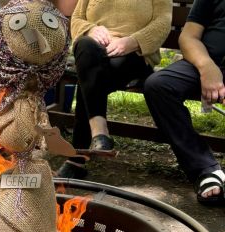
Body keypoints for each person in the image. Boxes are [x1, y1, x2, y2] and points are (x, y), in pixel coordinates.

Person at [56, 0, 172, 178]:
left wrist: (132, 41)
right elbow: (77, 18)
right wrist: (90, 30)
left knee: (90, 75)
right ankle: (99, 133)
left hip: (135, 55)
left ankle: (78, 158)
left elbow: (163, 22)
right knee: (86, 47)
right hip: (94, 52)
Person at [144, 0, 225, 205]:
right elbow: (189, 36)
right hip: (206, 62)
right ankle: (205, 169)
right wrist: (207, 67)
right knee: (159, 86)